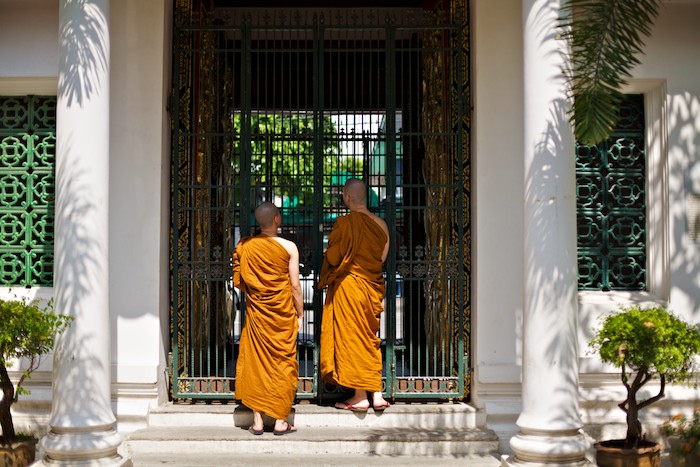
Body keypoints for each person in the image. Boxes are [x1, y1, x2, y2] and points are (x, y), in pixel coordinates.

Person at [318, 178, 391, 412]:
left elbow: (333, 258)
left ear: (347, 198)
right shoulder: (381, 225)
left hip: (349, 287)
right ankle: (377, 394)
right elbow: (380, 259)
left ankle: (360, 396)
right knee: (369, 337)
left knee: (353, 338)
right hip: (370, 287)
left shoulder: (344, 224)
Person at [233, 201, 304, 435]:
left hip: (258, 315)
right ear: (276, 219)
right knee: (283, 363)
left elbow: (241, 280)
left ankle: (258, 421)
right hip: (281, 315)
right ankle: (281, 420)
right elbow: (295, 285)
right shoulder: (289, 247)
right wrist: (300, 313)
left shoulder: (247, 247)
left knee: (256, 363)